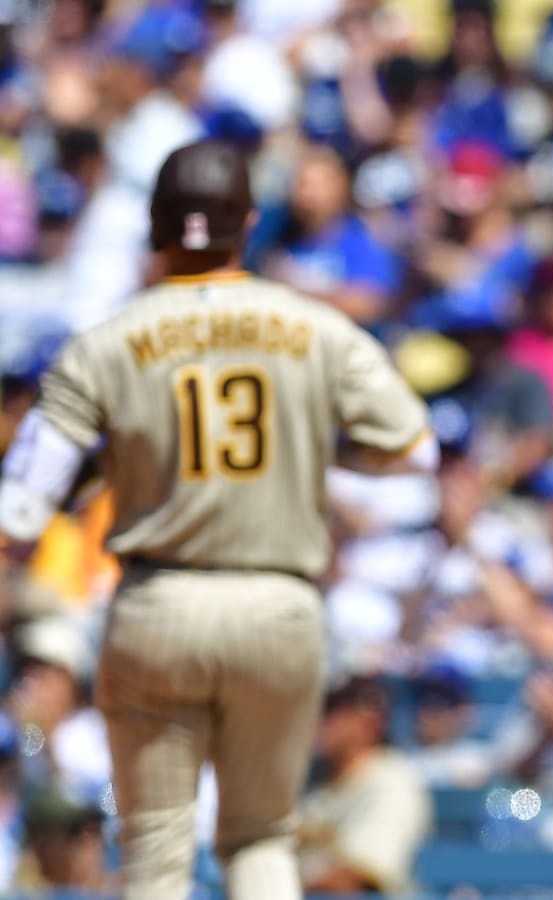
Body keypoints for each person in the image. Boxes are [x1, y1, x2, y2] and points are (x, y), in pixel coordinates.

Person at [0, 138, 436, 900]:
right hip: (278, 606)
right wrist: (308, 447)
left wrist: (105, 470)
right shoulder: (315, 327)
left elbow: (21, 510)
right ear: (251, 223)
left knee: (158, 850)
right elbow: (411, 447)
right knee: (260, 839)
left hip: (158, 604)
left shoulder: (101, 344)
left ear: (156, 226)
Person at [296, 672, 432, 894]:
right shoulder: (313, 779)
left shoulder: (391, 780)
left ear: (368, 720)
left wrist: (270, 880)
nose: (316, 720)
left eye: (329, 709)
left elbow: (355, 879)